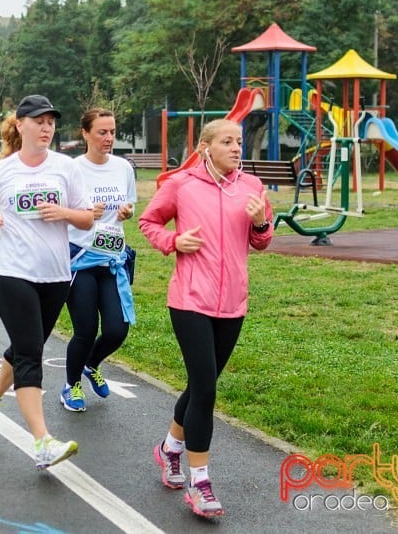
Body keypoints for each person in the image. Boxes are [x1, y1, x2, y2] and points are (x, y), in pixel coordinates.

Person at [137, 118, 273, 518]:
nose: (236, 148)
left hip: (233, 303)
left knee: (203, 385)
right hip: (190, 301)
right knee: (206, 391)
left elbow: (262, 242)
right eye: (227, 142)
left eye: (239, 142)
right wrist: (172, 241)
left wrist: (260, 222)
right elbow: (149, 222)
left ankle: (169, 449)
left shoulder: (252, 188)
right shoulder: (181, 185)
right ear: (205, 147)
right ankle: (201, 484)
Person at [0, 94, 93, 471]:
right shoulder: (2, 170)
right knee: (30, 354)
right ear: (20, 125)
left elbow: (86, 219)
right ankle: (42, 441)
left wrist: (63, 213)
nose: (47, 127)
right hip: (11, 273)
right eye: (38, 120)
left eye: (51, 121)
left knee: (27, 347)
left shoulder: (66, 169)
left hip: (55, 276)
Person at [60, 108, 138, 413]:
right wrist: (83, 215)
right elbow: (58, 214)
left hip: (112, 259)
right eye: (102, 132)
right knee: (86, 329)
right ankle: (70, 386)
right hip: (79, 258)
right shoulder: (72, 170)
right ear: (85, 134)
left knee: (118, 329)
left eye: (112, 132)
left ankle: (91, 364)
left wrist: (126, 212)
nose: (109, 138)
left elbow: (129, 203)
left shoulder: (122, 168)